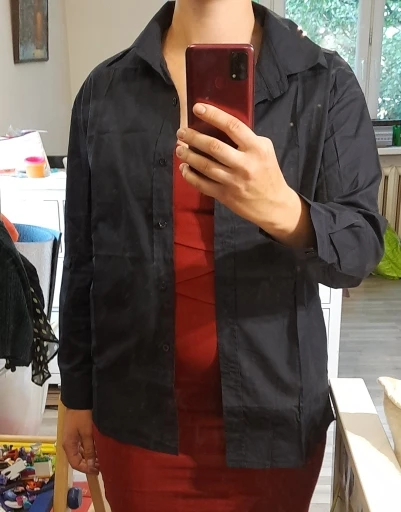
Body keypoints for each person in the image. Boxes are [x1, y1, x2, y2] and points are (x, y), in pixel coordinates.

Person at [59, 1, 386, 510]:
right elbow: (82, 261)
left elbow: (360, 250)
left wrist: (285, 210)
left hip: (273, 425)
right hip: (136, 423)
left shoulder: (323, 84)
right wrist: (75, 394)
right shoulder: (104, 92)